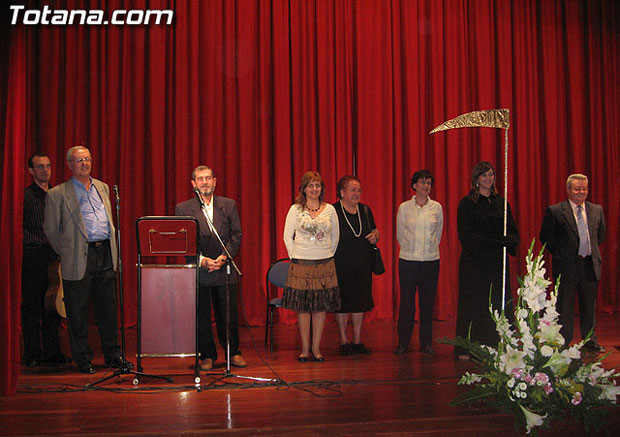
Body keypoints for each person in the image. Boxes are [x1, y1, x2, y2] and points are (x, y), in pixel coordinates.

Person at [43, 145, 124, 374]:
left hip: (105, 253)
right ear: (69, 164)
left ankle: (112, 354)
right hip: (78, 256)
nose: (85, 164)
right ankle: (83, 358)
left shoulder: (103, 188)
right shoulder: (57, 193)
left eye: (88, 159)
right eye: (79, 160)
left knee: (108, 309)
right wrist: (67, 250)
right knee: (77, 311)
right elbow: (50, 229)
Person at [175, 165, 246, 371]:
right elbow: (183, 241)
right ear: (193, 184)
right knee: (202, 315)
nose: (205, 182)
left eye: (208, 178)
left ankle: (233, 353)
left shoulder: (228, 204)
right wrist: (203, 260)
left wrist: (224, 258)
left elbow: (236, 235)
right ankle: (207, 355)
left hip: (224, 268)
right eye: (200, 179)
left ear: (215, 181)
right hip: (200, 269)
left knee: (228, 314)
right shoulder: (183, 208)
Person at [455, 161, 519, 360]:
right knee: (474, 303)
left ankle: (495, 344)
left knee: (497, 303)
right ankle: (467, 347)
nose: (488, 178)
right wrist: (493, 242)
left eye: (491, 174)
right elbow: (465, 234)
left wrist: (510, 241)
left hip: (497, 263)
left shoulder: (502, 203)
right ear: (476, 179)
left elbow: (513, 230)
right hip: (475, 263)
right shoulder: (467, 203)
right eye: (484, 175)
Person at [539, 174, 606, 352]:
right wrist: (562, 254)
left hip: (589, 265)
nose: (581, 192)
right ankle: (563, 341)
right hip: (567, 266)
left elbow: (601, 235)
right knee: (565, 306)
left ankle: (590, 340)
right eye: (577, 189)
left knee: (588, 306)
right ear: (568, 190)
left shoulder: (596, 210)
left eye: (584, 188)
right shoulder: (555, 211)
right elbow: (546, 237)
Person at [283, 171, 340, 362]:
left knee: (320, 307)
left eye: (318, 185)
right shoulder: (295, 209)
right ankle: (304, 349)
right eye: (311, 185)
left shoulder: (330, 209)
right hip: (301, 263)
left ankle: (316, 349)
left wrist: (325, 254)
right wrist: (297, 256)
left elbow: (335, 237)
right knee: (303, 307)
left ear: (322, 189)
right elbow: (287, 236)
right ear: (304, 189)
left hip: (324, 262)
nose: (314, 189)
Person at [21, 152, 71, 368]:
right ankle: (33, 353)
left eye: (48, 166)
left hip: (55, 256)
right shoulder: (26, 196)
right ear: (31, 171)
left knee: (52, 305)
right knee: (32, 305)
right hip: (35, 255)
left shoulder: (57, 194)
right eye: (40, 166)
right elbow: (38, 225)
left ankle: (52, 351)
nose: (45, 170)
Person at [395, 170, 443, 355]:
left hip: (431, 261)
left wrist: (428, 251)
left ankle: (426, 343)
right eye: (422, 182)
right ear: (414, 185)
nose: (425, 186)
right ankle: (403, 343)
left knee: (427, 303)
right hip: (408, 261)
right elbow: (401, 235)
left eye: (429, 183)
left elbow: (437, 233)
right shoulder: (404, 208)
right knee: (407, 303)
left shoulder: (437, 208)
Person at [332, 176, 379, 356]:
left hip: (362, 263)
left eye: (359, 190)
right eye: (353, 189)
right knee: (342, 303)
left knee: (360, 302)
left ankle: (357, 340)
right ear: (342, 192)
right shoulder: (333, 211)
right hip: (340, 263)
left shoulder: (365, 210)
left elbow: (374, 231)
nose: (357, 193)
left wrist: (376, 234)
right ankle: (344, 341)